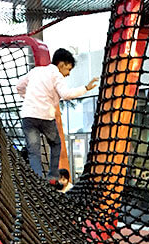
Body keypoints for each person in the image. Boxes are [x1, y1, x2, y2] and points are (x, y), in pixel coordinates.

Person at [16, 48, 98, 180]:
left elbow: (19, 86)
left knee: (34, 152)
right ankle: (53, 176)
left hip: (28, 116)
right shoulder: (56, 75)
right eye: (68, 69)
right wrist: (86, 88)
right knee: (55, 143)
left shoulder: (35, 71)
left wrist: (27, 98)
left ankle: (37, 180)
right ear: (61, 65)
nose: (68, 74)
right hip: (45, 117)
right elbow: (66, 94)